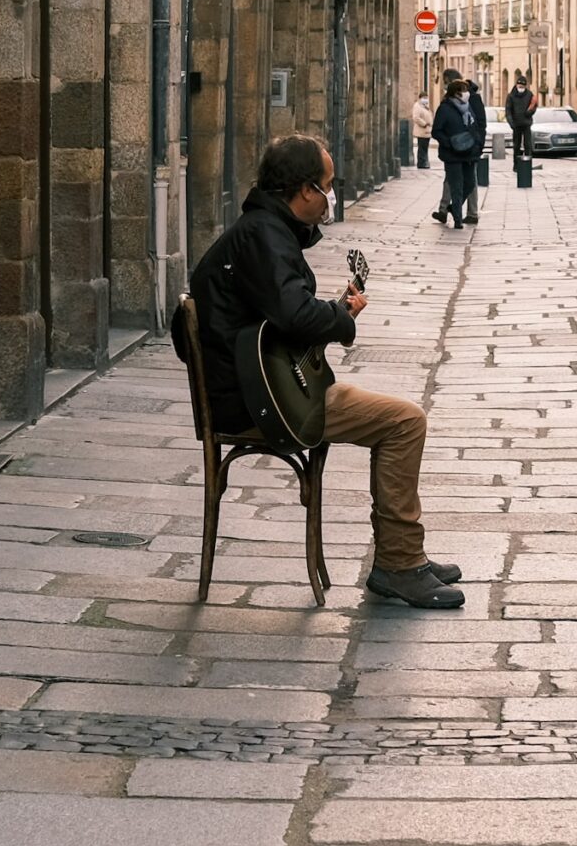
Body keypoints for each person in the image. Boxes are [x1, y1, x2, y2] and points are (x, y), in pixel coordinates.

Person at [187, 135, 464, 608]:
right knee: (405, 421)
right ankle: (399, 562)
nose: (332, 196)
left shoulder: (263, 231)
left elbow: (280, 315)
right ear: (304, 190)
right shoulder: (264, 237)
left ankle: (402, 554)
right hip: (262, 402)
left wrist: (333, 312)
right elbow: (295, 315)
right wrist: (340, 317)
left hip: (258, 388)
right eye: (328, 186)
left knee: (396, 417)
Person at [431, 73, 486, 229]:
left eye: (466, 90)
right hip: (453, 155)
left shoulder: (469, 107)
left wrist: (477, 144)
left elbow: (478, 126)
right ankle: (457, 220)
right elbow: (436, 131)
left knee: (469, 183)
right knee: (455, 186)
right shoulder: (445, 108)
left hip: (469, 152)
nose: (466, 93)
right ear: (455, 93)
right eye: (463, 90)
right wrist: (449, 143)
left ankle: (452, 209)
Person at [505, 71, 537, 162]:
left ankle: (528, 163)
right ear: (516, 85)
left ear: (525, 86)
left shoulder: (529, 94)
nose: (521, 88)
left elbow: (534, 106)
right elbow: (508, 111)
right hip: (516, 124)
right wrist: (511, 123)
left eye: (522, 87)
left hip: (526, 123)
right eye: (519, 87)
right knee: (516, 146)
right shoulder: (511, 96)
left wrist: (530, 112)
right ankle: (516, 164)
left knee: (528, 145)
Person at [410, 90, 433, 170]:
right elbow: (416, 117)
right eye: (424, 98)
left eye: (426, 98)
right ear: (420, 98)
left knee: (425, 147)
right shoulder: (417, 106)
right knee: (422, 147)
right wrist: (424, 124)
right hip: (421, 130)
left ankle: (424, 162)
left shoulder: (425, 106)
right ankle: (422, 163)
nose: (426, 99)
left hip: (427, 130)